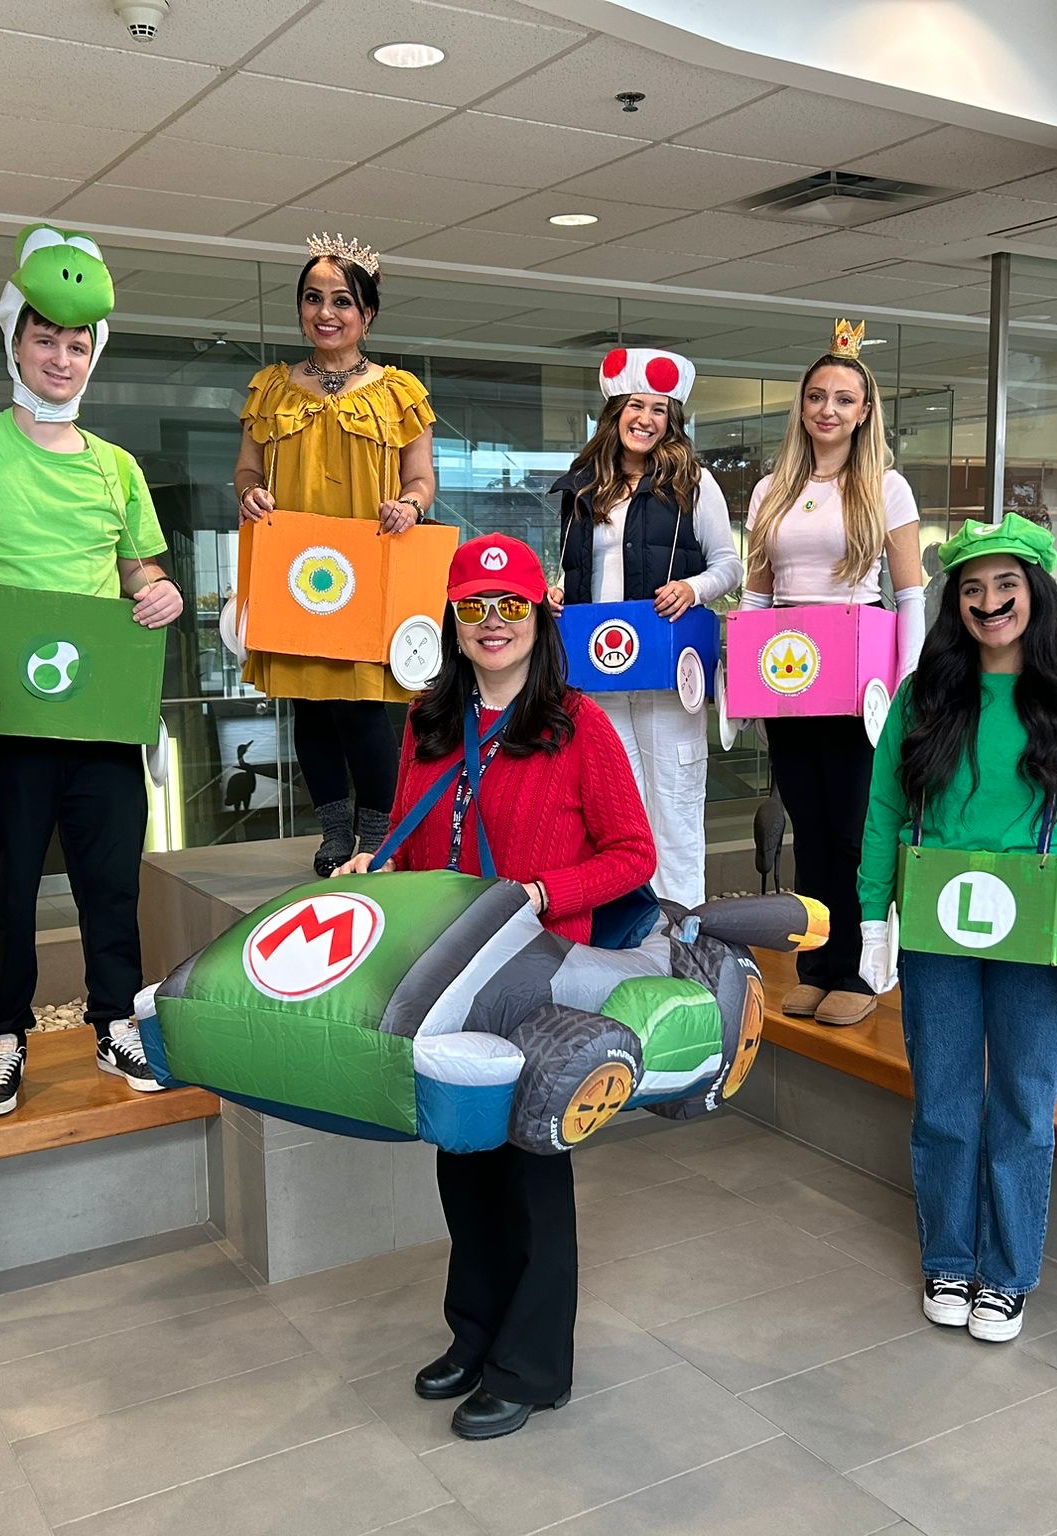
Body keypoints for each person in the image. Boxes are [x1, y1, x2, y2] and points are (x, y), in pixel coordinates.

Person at [336, 534, 653, 1440]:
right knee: (463, 1159)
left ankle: (532, 1364)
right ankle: (473, 1335)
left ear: (537, 617)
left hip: (541, 984)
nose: (491, 623)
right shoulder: (428, 722)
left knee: (531, 1171)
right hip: (448, 979)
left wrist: (549, 892)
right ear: (453, 619)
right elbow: (410, 836)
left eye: (510, 605)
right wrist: (379, 866)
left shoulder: (577, 725)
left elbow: (635, 855)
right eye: (473, 607)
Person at [0, 225, 182, 1117]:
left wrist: (160, 589)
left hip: (98, 714)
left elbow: (138, 572)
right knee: (4, 880)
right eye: (46, 339)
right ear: (15, 340)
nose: (62, 358)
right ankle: (3, 1033)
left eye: (78, 344)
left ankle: (114, 1021)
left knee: (110, 881)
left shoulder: (117, 468)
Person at [857, 512, 1057, 1343]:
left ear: (1036, 595)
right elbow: (883, 813)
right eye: (972, 590)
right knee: (943, 1101)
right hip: (936, 931)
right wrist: (873, 915)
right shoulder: (924, 698)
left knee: (1021, 1104)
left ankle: (1005, 1275)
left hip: (1035, 936)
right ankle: (948, 1256)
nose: (989, 602)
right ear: (955, 607)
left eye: (1006, 587)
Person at [234, 232, 437, 878]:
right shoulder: (270, 388)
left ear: (367, 313)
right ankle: (333, 828)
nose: (326, 312)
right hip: (294, 568)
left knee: (362, 703)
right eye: (313, 298)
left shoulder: (398, 391)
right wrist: (252, 495)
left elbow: (423, 479)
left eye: (342, 301)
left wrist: (410, 505)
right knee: (309, 701)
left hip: (371, 565)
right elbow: (244, 471)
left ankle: (377, 830)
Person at [741, 320, 926, 1028]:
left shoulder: (886, 486)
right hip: (789, 673)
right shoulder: (771, 490)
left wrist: (906, 687)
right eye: (816, 397)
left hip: (860, 679)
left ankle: (863, 967)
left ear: (865, 410)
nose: (828, 410)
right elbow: (758, 594)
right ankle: (817, 964)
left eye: (843, 399)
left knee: (855, 829)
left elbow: (909, 594)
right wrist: (741, 683)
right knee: (808, 827)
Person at [547, 347, 741, 909]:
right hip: (598, 672)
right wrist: (559, 593)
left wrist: (693, 588)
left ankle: (684, 927)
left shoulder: (694, 482)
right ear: (614, 411)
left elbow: (728, 564)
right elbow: (575, 567)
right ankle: (631, 928)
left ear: (672, 419)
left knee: (676, 799)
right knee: (617, 808)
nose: (647, 419)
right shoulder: (582, 487)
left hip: (665, 666)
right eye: (636, 405)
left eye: (660, 409)